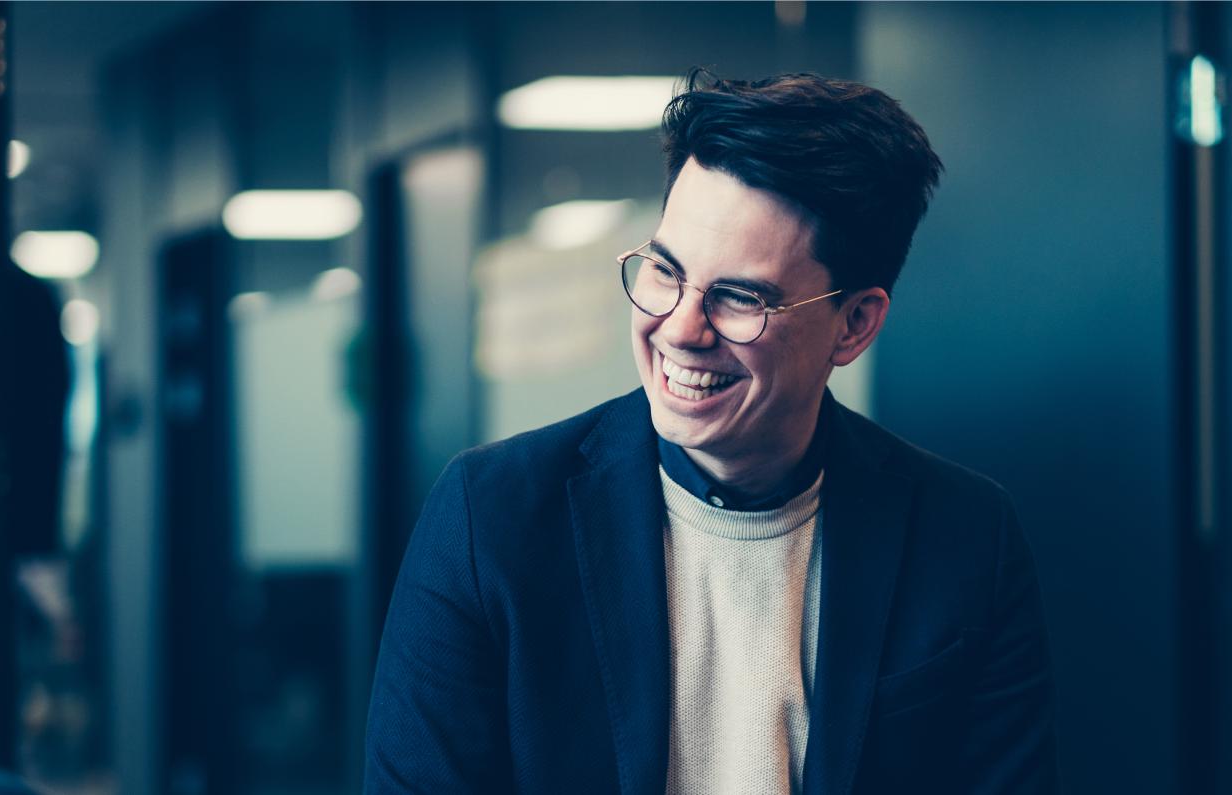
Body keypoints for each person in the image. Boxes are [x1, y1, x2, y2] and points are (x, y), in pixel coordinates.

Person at [365, 70, 1058, 794]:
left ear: (854, 324)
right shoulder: (491, 519)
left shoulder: (969, 539)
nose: (680, 329)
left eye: (738, 297)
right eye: (666, 271)